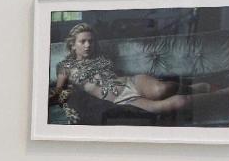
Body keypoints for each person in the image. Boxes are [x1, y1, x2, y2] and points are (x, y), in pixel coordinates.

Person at [53, 22, 215, 116]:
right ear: (73, 45)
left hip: (133, 82)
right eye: (83, 42)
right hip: (122, 100)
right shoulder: (65, 67)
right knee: (179, 102)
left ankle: (195, 87)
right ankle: (218, 94)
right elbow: (60, 93)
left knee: (161, 89)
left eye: (91, 41)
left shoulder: (101, 56)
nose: (88, 45)